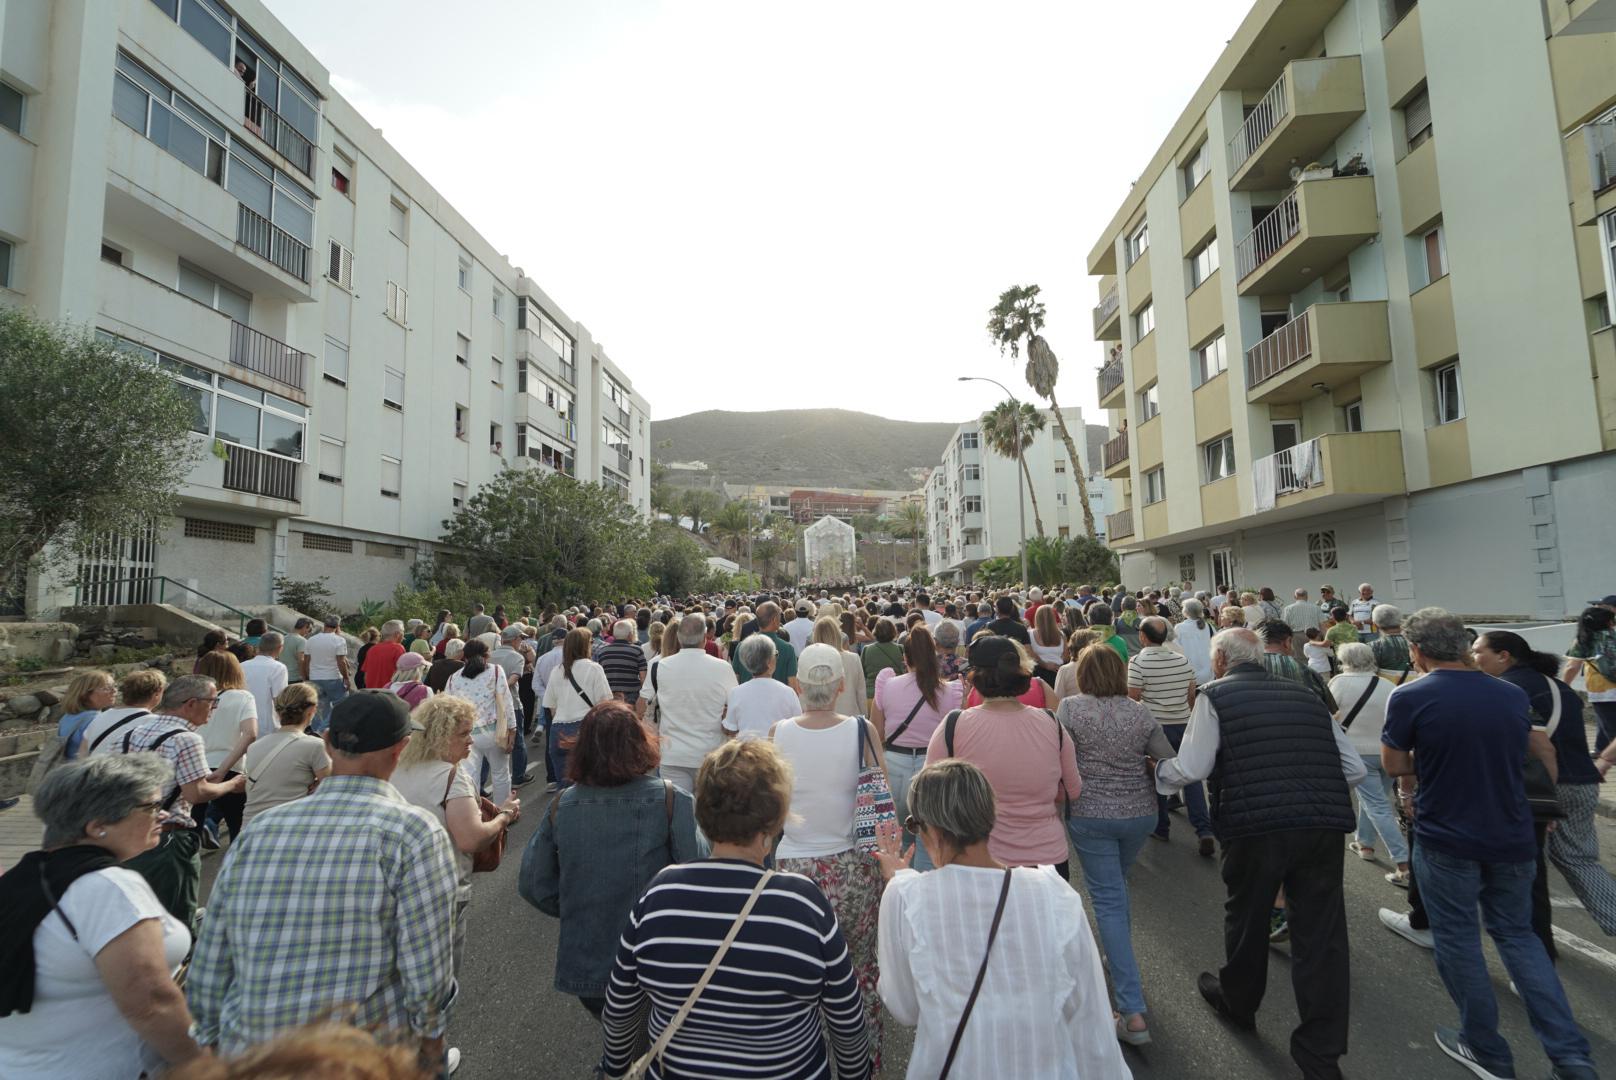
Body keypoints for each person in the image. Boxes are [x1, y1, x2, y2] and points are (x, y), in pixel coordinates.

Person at [187, 693, 461, 1077]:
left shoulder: (262, 829)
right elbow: (426, 960)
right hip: (358, 1055)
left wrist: (212, 1039)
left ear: (328, 742)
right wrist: (431, 1043)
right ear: (402, 748)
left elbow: (215, 949)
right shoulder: (412, 832)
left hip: (253, 1050)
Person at [1381, 608, 1596, 1080]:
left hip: (1447, 835)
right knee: (1520, 938)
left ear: (1415, 651)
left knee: (1458, 940)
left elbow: (1396, 764)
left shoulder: (1410, 695)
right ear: (1462, 645)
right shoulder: (1510, 694)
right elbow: (1539, 751)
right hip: (1514, 829)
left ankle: (1485, 1049)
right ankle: (1571, 1056)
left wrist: (1435, 750)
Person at [1156, 628, 1363, 1080]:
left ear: (1219, 661)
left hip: (1256, 826)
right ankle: (1321, 1055)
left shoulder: (1214, 696)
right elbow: (1355, 767)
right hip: (1323, 825)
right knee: (1322, 938)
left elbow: (1192, 767)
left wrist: (1157, 773)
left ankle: (1239, 1003)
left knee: (1247, 918)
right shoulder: (1305, 695)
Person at [598, 739, 871, 1080]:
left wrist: (613, 1068)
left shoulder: (660, 894)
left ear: (702, 812)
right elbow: (847, 1022)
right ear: (775, 819)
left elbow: (622, 1008)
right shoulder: (804, 905)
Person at [872, 760, 1127, 1079]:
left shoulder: (905, 897)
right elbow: (1090, 1021)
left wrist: (898, 879)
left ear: (933, 831)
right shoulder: (1053, 895)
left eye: (916, 826)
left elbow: (905, 1008)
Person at [0, 755, 202, 1079]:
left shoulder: (22, 879)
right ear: (97, 826)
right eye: (150, 806)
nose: (163, 814)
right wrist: (206, 1064)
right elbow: (152, 1002)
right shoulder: (109, 888)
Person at [520, 700, 703, 1018]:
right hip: (660, 957)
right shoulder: (673, 800)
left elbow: (534, 883)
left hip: (588, 958)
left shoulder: (563, 804)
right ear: (641, 743)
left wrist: (579, 907)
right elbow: (701, 878)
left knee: (618, 1039)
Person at [770, 643, 889, 1065]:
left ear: (799, 685)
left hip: (793, 870)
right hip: (853, 868)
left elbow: (771, 807)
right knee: (860, 971)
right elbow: (882, 802)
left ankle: (804, 1061)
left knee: (797, 976)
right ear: (840, 686)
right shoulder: (861, 730)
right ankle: (861, 1062)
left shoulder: (779, 732)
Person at [1058, 644, 1176, 1044]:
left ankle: (1132, 1009)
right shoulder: (1139, 711)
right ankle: (1115, 952)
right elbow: (1166, 756)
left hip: (1090, 811)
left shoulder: (1071, 710)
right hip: (1140, 811)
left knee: (1107, 897)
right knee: (1116, 887)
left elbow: (1061, 759)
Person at [1474, 630, 1616, 939]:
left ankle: (1534, 938)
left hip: (1547, 783)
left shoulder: (1509, 689)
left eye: (1478, 652)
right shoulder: (1556, 686)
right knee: (1577, 858)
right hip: (1583, 781)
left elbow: (1531, 747)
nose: (1474, 659)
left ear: (1504, 656)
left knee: (1535, 866)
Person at [97, 675, 243, 929]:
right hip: (169, 840)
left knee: (136, 915)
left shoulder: (131, 734)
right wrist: (231, 785)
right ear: (191, 704)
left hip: (127, 836)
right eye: (212, 701)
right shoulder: (187, 739)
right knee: (176, 918)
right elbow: (196, 794)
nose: (214, 708)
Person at [930, 636, 1080, 877]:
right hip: (1046, 857)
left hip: (978, 856)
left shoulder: (954, 725)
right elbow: (1072, 790)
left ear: (975, 677)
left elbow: (931, 795)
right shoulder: (1051, 723)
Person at [392, 695, 519, 977]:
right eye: (464, 734)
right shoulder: (452, 777)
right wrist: (504, 817)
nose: (471, 741)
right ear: (439, 735)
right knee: (439, 977)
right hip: (441, 891)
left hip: (396, 886)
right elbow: (471, 839)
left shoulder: (397, 768)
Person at [872, 625, 963, 873]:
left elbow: (877, 733)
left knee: (899, 838)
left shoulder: (887, 684)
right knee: (929, 840)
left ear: (906, 658)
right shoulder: (950, 690)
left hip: (895, 765)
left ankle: (900, 888)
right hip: (933, 769)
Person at [1129, 616, 1211, 856]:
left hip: (1156, 725)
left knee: (1158, 773)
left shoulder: (1138, 662)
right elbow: (1191, 695)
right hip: (1183, 722)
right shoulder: (1181, 660)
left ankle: (1161, 826)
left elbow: (1133, 697)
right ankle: (1203, 829)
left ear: (1143, 637)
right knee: (1191, 775)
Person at [1328, 643, 1406, 885]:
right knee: (1376, 800)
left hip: (1357, 752)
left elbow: (1330, 715)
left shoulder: (1338, 683)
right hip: (1387, 751)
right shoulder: (1386, 684)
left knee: (1378, 806)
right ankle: (1365, 844)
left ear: (1343, 660)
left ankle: (1404, 864)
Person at [638, 614, 737, 796]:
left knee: (678, 813)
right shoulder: (722, 668)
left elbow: (641, 706)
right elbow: (736, 708)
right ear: (705, 636)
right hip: (710, 752)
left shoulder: (659, 667)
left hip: (672, 753)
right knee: (708, 814)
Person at [240, 683, 330, 830]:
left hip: (251, 829)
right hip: (288, 827)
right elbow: (330, 789)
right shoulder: (315, 746)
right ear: (312, 710)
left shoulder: (254, 747)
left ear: (277, 711)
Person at [194, 651, 258, 848]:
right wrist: (223, 770)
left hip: (195, 767)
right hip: (231, 768)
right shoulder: (242, 697)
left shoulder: (193, 699)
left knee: (191, 829)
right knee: (237, 829)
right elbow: (250, 733)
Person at [446, 638, 517, 805]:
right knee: (500, 774)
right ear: (487, 655)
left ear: (464, 657)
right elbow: (506, 703)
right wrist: (512, 729)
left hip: (466, 734)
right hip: (494, 731)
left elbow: (449, 708)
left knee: (470, 776)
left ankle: (474, 813)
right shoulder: (496, 671)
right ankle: (502, 811)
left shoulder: (453, 678)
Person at [542, 628, 613, 788]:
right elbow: (604, 704)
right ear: (585, 645)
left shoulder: (557, 670)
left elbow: (551, 707)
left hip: (558, 730)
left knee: (565, 788)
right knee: (591, 783)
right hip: (585, 727)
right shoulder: (594, 668)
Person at [723, 632, 802, 740]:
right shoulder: (788, 692)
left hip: (747, 752)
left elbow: (731, 729)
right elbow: (797, 726)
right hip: (776, 752)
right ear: (769, 662)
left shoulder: (736, 693)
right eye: (776, 654)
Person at [1563, 604, 1616, 754]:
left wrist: (1563, 686)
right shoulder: (1613, 635)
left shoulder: (1585, 639)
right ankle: (1602, 750)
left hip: (1603, 691)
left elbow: (1572, 667)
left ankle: (1608, 755)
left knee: (1611, 729)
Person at [78, 669, 166, 756]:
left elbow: (82, 755)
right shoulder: (156, 724)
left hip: (94, 768)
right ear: (157, 693)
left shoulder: (101, 716)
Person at [731, 601, 800, 690]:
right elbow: (792, 684)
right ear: (775, 620)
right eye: (780, 615)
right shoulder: (788, 649)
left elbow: (735, 680)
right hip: (778, 701)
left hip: (747, 700)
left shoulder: (741, 646)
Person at [300, 614, 351, 733]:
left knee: (320, 706)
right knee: (341, 704)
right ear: (338, 626)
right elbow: (341, 661)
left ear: (324, 625)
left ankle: (316, 730)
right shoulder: (339, 640)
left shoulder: (311, 640)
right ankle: (323, 729)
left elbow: (306, 660)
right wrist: (346, 678)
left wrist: (307, 676)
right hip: (332, 677)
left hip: (314, 677)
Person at [53, 669, 116, 762]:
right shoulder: (95, 719)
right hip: (83, 771)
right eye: (106, 688)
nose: (114, 690)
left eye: (114, 686)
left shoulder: (69, 716)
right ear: (85, 695)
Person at [810, 615, 866, 716]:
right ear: (837, 634)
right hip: (850, 715)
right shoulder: (853, 658)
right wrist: (864, 717)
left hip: (821, 719)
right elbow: (861, 692)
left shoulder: (811, 660)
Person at [241, 632, 290, 737]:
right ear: (280, 648)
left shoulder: (242, 666)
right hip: (267, 725)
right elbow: (279, 699)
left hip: (243, 722)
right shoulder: (278, 668)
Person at [596, 620, 648, 705]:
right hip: (632, 695)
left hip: (610, 696)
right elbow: (643, 677)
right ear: (630, 634)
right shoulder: (637, 651)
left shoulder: (603, 651)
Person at [861, 616, 905, 706]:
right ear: (893, 631)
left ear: (875, 632)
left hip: (872, 695)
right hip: (896, 694)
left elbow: (863, 673)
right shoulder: (900, 649)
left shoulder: (866, 649)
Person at [1370, 604, 1417, 684]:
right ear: (1401, 621)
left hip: (1386, 690)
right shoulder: (1418, 643)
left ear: (1375, 625)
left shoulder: (1372, 647)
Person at [1176, 598, 1215, 686]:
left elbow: (1176, 650)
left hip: (1188, 673)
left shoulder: (1179, 628)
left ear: (1185, 611)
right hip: (1209, 673)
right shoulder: (1209, 626)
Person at [360, 621, 407, 693]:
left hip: (371, 693)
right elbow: (403, 675)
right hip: (389, 694)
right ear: (397, 634)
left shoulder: (372, 649)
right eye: (403, 631)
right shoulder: (398, 648)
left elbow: (366, 676)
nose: (404, 635)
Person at [1029, 604, 1066, 686]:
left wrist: (1045, 665)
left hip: (1038, 675)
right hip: (1058, 672)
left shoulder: (1029, 634)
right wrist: (1058, 665)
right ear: (1053, 618)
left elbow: (1030, 654)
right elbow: (1065, 655)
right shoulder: (1061, 635)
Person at [281, 617, 312, 683]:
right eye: (309, 630)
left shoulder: (283, 638)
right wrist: (304, 678)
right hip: (295, 678)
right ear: (305, 627)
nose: (308, 633)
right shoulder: (302, 641)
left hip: (282, 675)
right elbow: (301, 660)